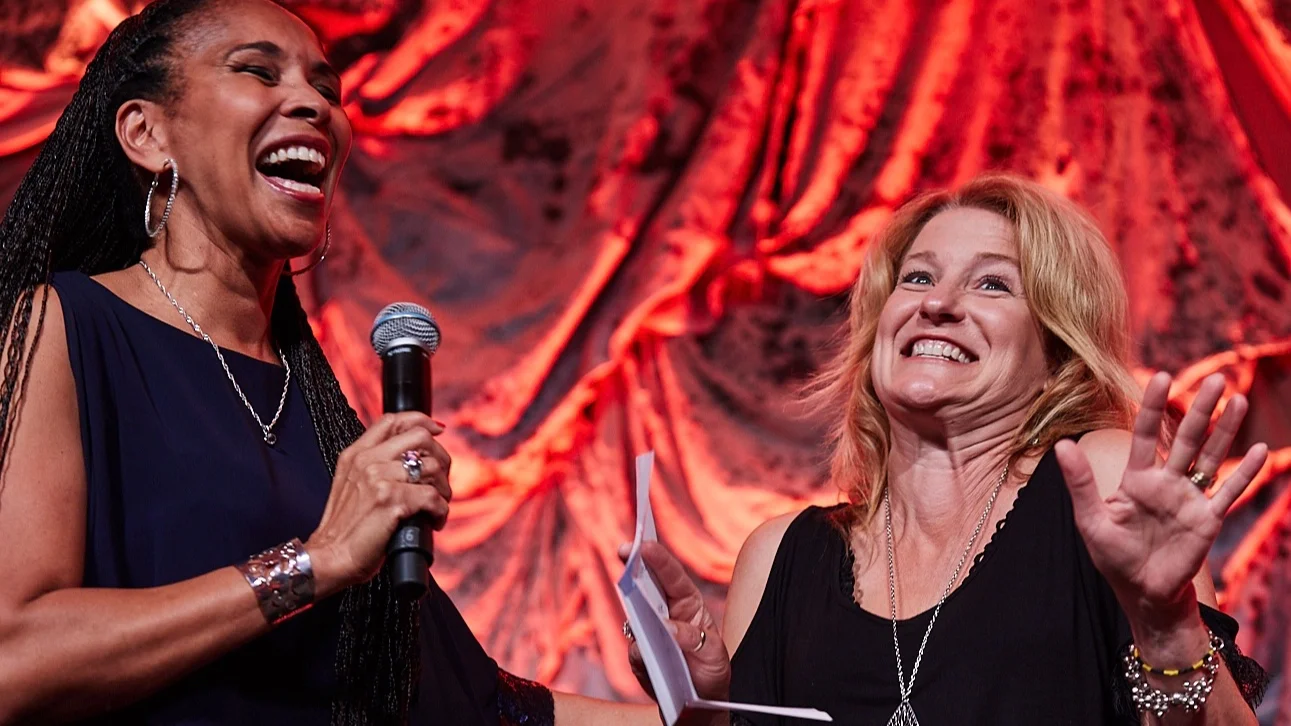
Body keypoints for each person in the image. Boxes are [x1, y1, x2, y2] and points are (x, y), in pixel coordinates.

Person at [0, 0, 573, 723]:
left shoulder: (323, 415)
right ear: (147, 133)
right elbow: (14, 660)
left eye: (326, 88)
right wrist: (313, 563)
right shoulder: (69, 325)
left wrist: (693, 702)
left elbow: (484, 706)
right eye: (258, 72)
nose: (314, 104)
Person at [625, 173, 1271, 724]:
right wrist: (703, 714)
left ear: (1056, 350)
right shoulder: (778, 559)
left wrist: (1168, 629)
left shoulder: (1097, 483)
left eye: (992, 285)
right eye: (916, 278)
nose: (937, 302)